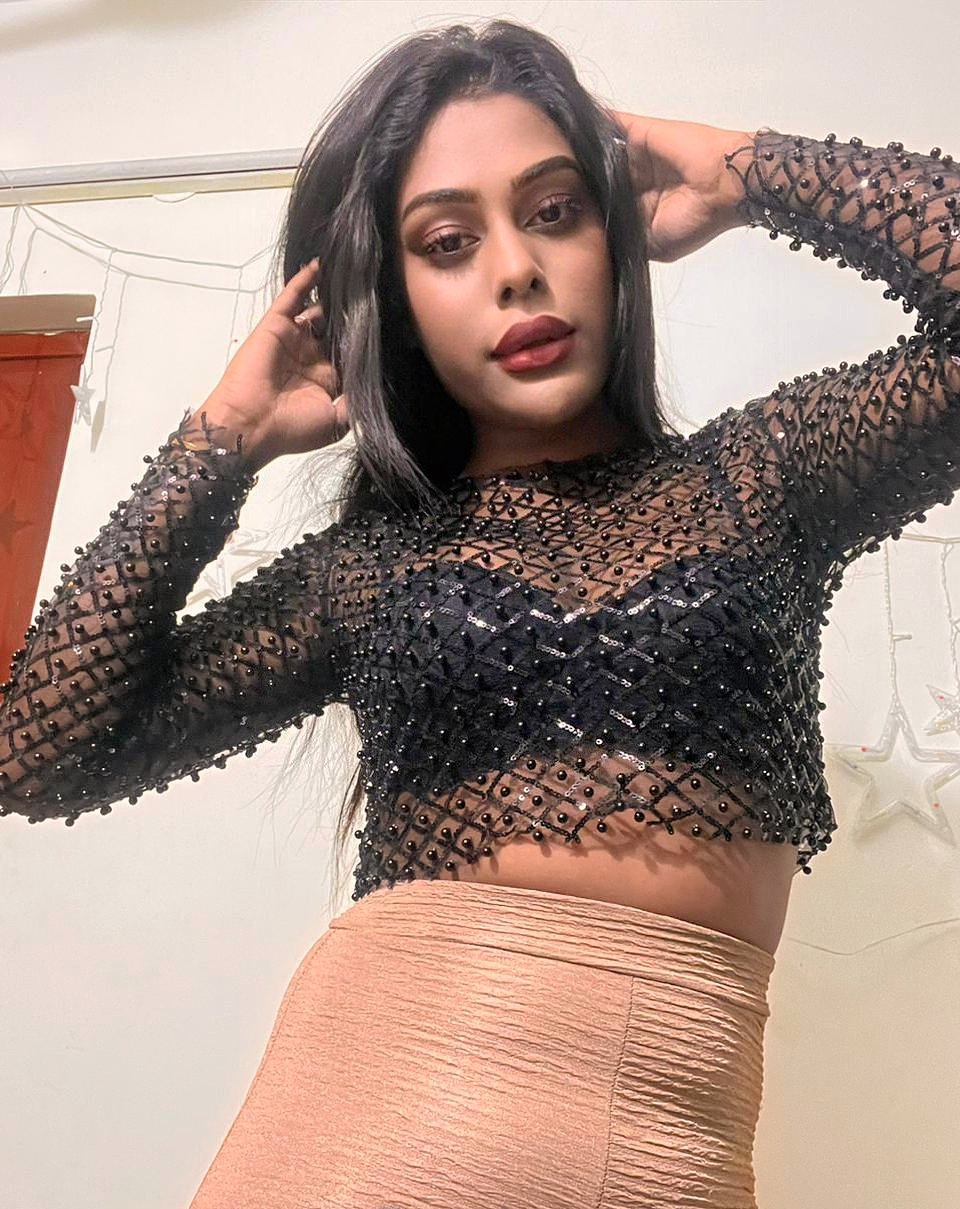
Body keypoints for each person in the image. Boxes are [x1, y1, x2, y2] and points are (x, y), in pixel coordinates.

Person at [3, 17, 958, 1209]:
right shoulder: (372, 568)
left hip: (667, 1152)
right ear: (393, 299)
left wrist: (740, 171)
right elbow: (40, 752)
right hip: (362, 1143)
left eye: (555, 210)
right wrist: (224, 438)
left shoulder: (760, 483)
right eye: (449, 242)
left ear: (613, 232)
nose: (516, 268)